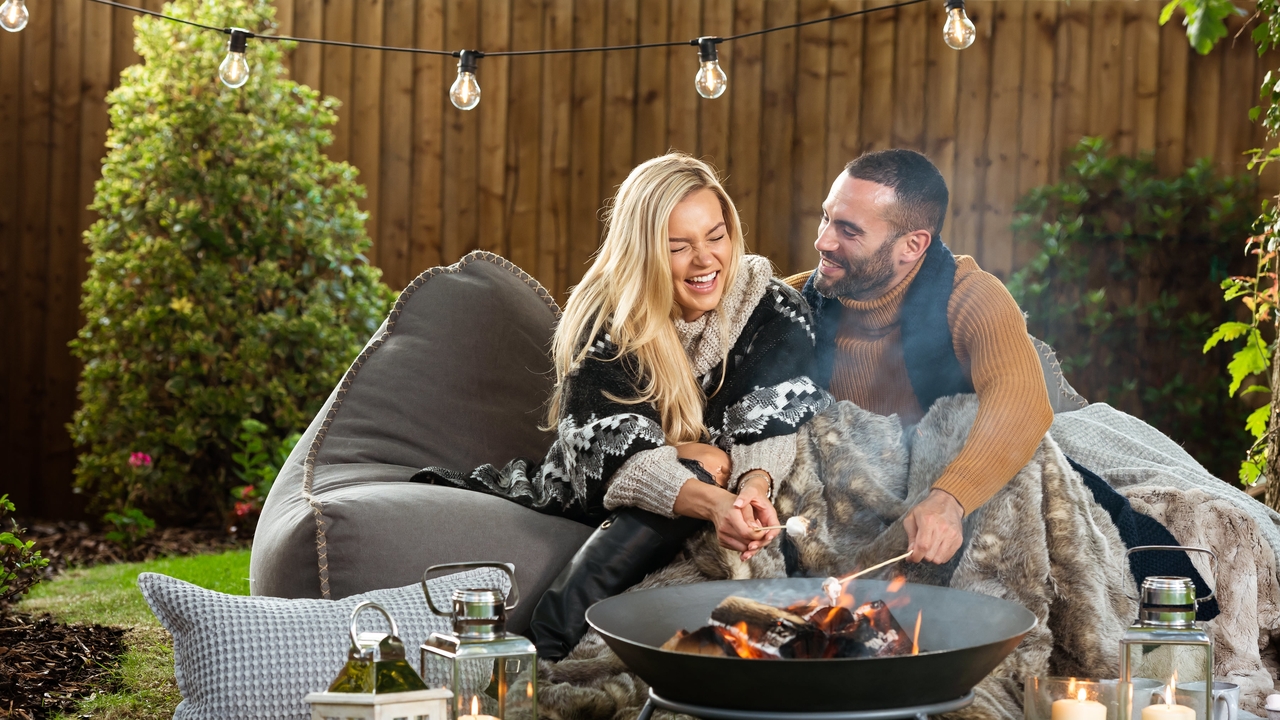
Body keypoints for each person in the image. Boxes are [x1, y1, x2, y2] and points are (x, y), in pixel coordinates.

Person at [414, 152, 829, 659]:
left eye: (716, 236)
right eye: (679, 247)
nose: (706, 261)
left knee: (743, 462)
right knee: (709, 462)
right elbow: (615, 454)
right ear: (645, 251)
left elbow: (772, 419)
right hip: (625, 473)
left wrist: (754, 485)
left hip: (708, 464)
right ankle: (549, 642)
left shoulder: (771, 307)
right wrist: (716, 501)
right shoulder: (607, 323)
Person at [787, 149, 1054, 566]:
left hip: (944, 493)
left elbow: (1022, 398)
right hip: (844, 507)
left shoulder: (970, 295)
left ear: (912, 245)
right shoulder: (793, 302)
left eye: (849, 231)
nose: (822, 241)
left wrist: (950, 498)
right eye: (826, 217)